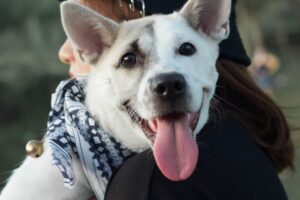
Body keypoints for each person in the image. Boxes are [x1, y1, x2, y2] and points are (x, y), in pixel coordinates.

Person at [1, 0, 293, 199]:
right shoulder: (241, 145)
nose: (67, 50)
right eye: (129, 58)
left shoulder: (152, 183)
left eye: (184, 49)